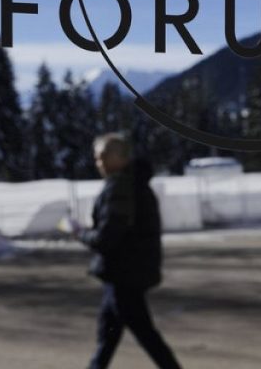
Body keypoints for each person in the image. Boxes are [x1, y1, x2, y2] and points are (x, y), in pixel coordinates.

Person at [73, 132, 182, 369]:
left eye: (102, 157)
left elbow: (107, 237)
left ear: (119, 157)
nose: (98, 163)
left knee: (144, 334)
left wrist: (80, 233)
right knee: (108, 335)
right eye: (96, 158)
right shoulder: (134, 184)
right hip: (126, 273)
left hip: (125, 274)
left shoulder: (121, 187)